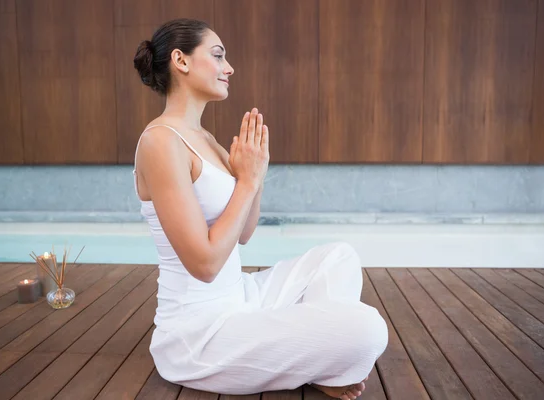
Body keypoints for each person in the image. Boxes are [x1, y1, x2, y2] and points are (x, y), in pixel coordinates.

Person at [132, 18, 388, 400]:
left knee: (339, 257)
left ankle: (316, 356)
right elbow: (204, 264)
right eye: (218, 56)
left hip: (243, 298)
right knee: (369, 328)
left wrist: (257, 174)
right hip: (201, 334)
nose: (229, 67)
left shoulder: (206, 140)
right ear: (180, 61)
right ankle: (323, 355)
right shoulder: (160, 142)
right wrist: (246, 183)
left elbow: (244, 234)